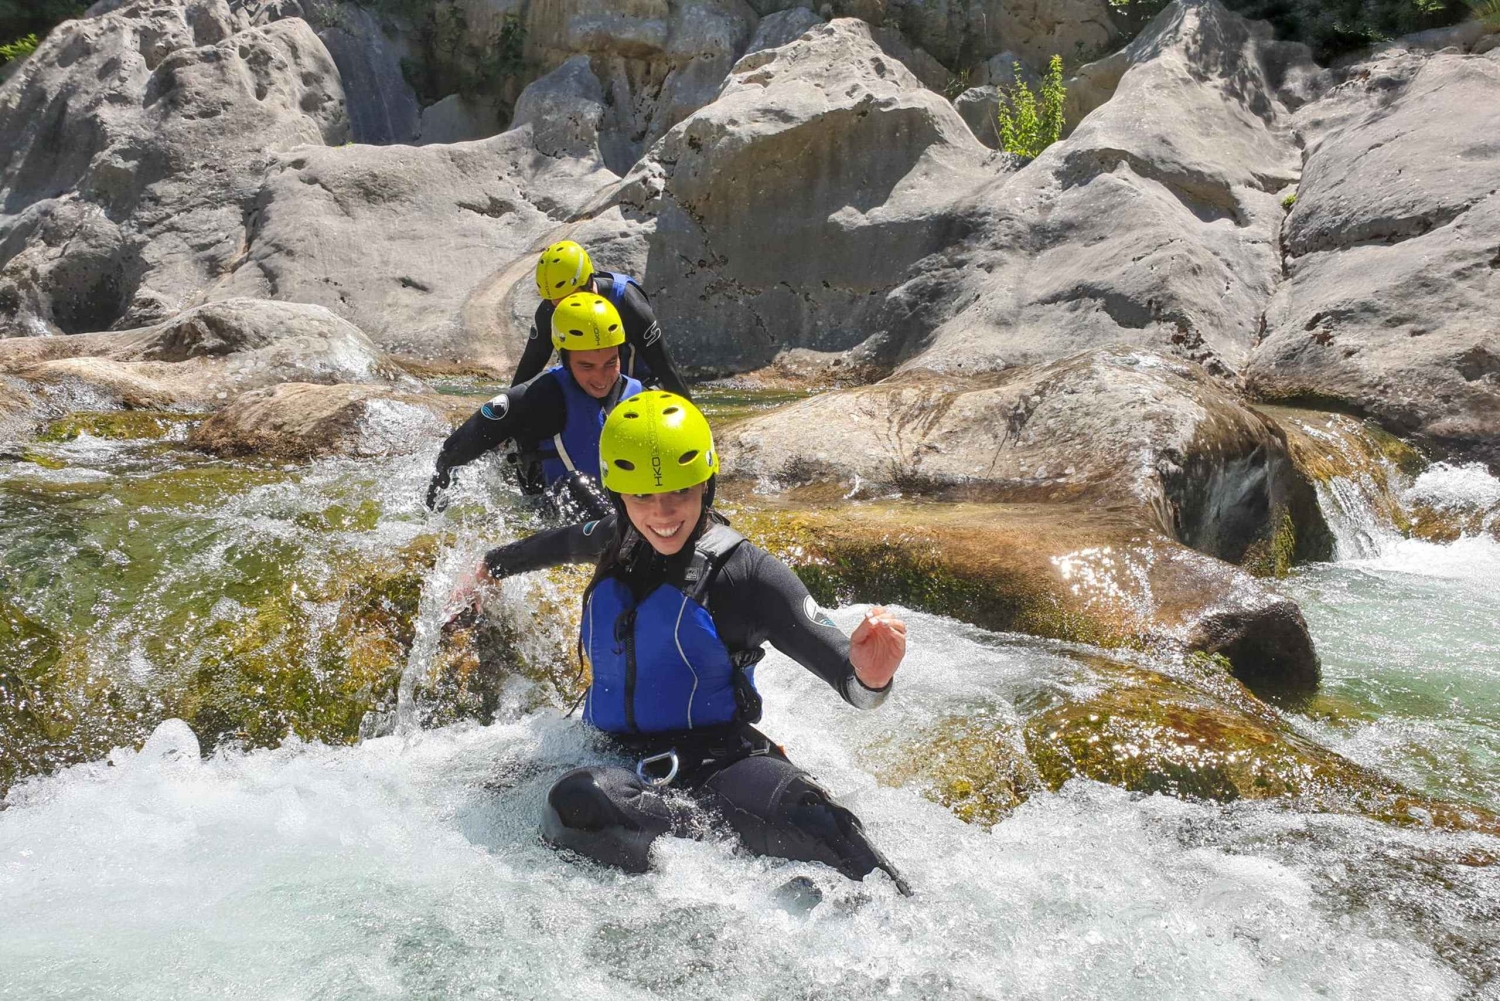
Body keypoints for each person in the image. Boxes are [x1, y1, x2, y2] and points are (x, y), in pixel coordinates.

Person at [469, 392, 912, 893]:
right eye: (641, 497)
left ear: (706, 482)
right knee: (576, 804)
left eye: (679, 492)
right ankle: (692, 883)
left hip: (719, 766)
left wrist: (873, 674)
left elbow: (850, 678)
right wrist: (486, 568)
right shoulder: (618, 538)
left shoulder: (748, 574)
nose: (662, 514)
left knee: (841, 843)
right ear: (619, 495)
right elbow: (553, 544)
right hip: (612, 762)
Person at [426, 292, 641, 520]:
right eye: (587, 366)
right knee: (576, 485)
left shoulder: (639, 397)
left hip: (621, 521)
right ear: (565, 359)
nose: (601, 379)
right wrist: (431, 520)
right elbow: (451, 454)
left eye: (611, 362)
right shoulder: (534, 397)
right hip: (558, 525)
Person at [519, 240, 690, 399]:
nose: (564, 307)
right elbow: (529, 367)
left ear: (588, 281)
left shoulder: (627, 301)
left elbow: (665, 366)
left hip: (637, 387)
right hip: (586, 388)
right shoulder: (549, 309)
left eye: (569, 297)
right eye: (557, 303)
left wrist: (695, 422)